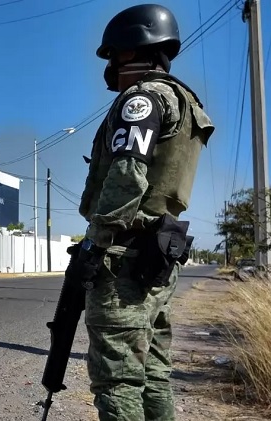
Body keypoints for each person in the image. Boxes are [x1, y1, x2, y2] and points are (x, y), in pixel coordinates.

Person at [72, 4, 215, 420]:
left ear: (131, 49)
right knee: (153, 375)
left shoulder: (143, 98)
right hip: (157, 253)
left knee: (117, 382)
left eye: (113, 55)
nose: (110, 66)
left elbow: (127, 175)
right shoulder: (185, 101)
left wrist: (95, 244)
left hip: (124, 256)